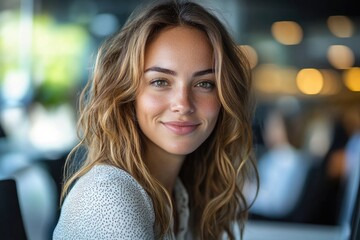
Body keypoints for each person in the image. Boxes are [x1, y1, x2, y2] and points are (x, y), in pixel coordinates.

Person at [53, 1, 257, 239]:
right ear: (127, 93)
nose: (182, 104)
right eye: (160, 82)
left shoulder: (181, 193)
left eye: (204, 84)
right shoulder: (109, 196)